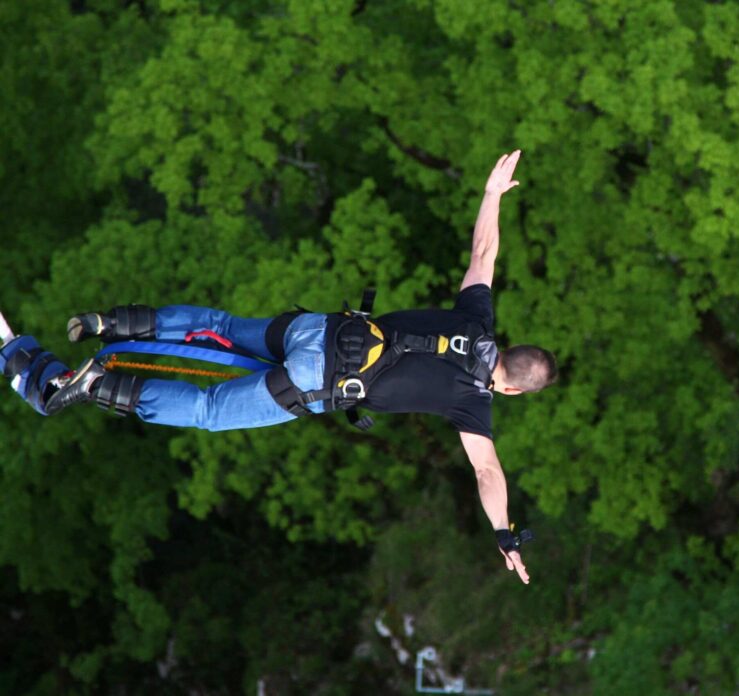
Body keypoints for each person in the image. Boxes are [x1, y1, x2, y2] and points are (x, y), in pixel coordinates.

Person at [40, 150, 555, 584]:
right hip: (317, 380)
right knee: (210, 411)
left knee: (219, 325)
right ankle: (98, 385)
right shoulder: (473, 403)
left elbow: (483, 253)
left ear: (508, 348)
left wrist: (492, 195)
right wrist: (503, 533)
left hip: (322, 330)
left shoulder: (477, 317)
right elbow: (487, 471)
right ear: (512, 390)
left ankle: (113, 322)